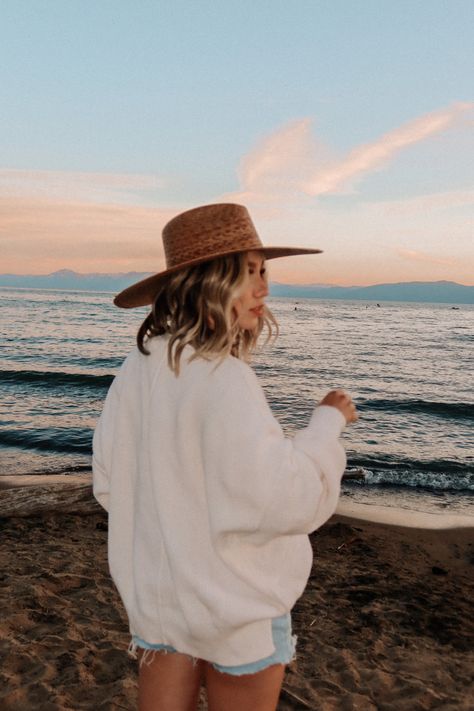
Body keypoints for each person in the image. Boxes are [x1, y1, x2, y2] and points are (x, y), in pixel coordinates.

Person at [92, 203, 357, 711]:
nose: (264, 288)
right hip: (235, 608)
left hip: (162, 603)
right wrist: (327, 424)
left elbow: (110, 483)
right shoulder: (224, 376)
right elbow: (285, 497)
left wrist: (177, 530)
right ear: (208, 283)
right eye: (247, 273)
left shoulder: (140, 365)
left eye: (264, 271)